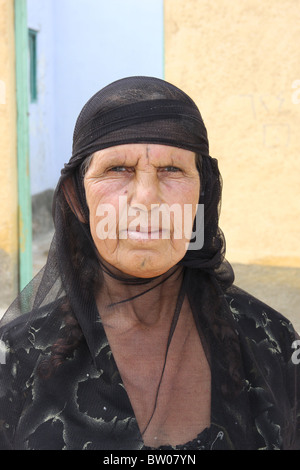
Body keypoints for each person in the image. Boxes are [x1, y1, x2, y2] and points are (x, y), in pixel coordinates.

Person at [0, 76, 299, 450]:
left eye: (172, 170)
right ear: (78, 199)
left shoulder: (272, 340)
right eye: (117, 169)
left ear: (201, 196)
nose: (146, 198)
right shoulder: (15, 358)